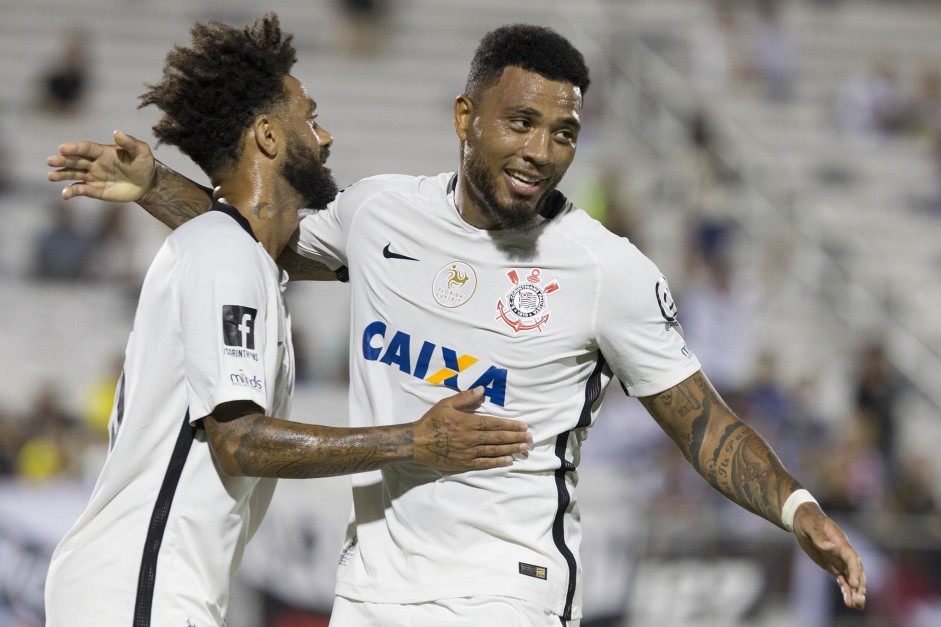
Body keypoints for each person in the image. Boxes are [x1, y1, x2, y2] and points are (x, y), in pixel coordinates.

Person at [48, 21, 867, 625]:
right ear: (464, 117)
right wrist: (155, 183)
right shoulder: (378, 215)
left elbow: (702, 423)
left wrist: (796, 505)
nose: (542, 150)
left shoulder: (605, 270)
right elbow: (260, 237)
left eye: (564, 133)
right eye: (521, 123)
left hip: (505, 592)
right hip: (370, 593)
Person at [41, 15, 531, 627]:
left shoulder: (239, 256)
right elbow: (240, 440)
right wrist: (415, 441)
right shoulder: (225, 255)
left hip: (146, 587)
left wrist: (155, 185)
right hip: (140, 590)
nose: (325, 136)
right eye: (310, 116)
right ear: (269, 137)